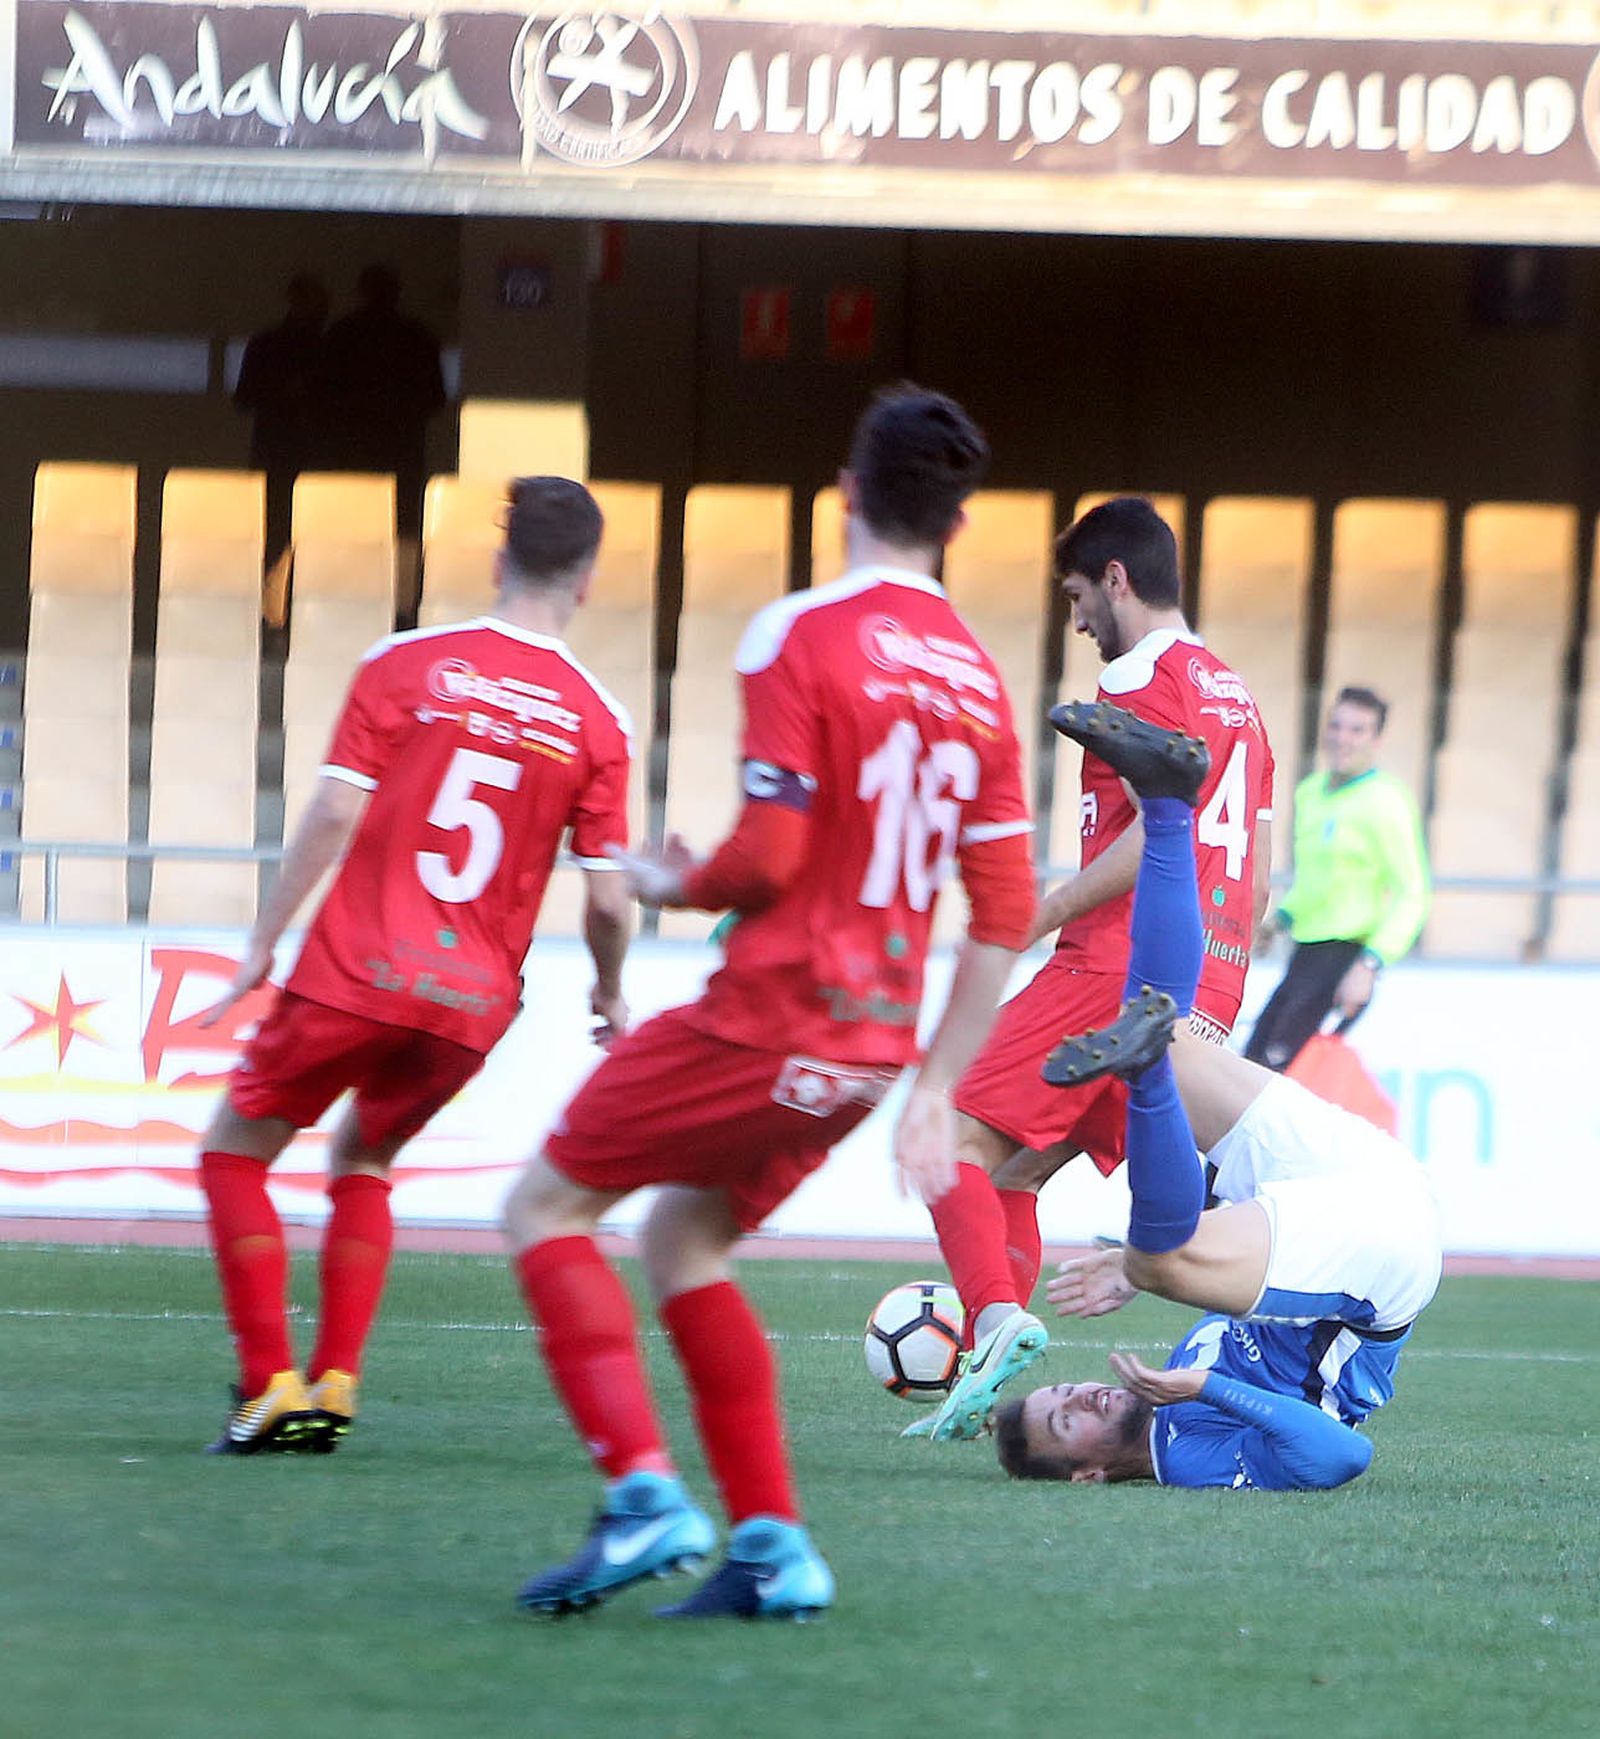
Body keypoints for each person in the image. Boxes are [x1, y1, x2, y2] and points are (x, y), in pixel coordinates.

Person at [504, 384, 1037, 1621]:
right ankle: (773, 1546)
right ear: (957, 524)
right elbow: (1005, 910)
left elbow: (768, 858)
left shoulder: (798, 632)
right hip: (866, 1051)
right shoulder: (979, 680)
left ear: (844, 493)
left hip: (768, 1016)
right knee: (683, 1240)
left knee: (543, 1207)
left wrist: (668, 879)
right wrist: (934, 1086)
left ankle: (642, 1494)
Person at [194, 477, 633, 1455]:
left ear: (498, 560)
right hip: (470, 1003)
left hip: (356, 969)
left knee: (234, 1152)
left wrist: (264, 939)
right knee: (365, 1158)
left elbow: (335, 809)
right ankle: (336, 1381)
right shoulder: (599, 719)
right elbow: (608, 900)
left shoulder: (407, 664)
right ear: (588, 579)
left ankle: (268, 1382)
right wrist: (609, 991)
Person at [991, 700, 1440, 1491]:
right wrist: (1204, 1380)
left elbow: (1248, 1258)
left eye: (1063, 1389)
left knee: (1173, 1040)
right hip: (1384, 1264)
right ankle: (1143, 1076)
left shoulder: (1170, 1380)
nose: (1083, 1394)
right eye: (1068, 1420)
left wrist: (1137, 1271)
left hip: (1349, 1181)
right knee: (1161, 1253)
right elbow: (1342, 1456)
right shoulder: (1187, 1451)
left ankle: (1169, 805)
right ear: (1087, 1473)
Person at [914, 496, 1275, 1444]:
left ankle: (994, 1319)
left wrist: (1035, 916)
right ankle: (983, 1370)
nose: (1076, 621)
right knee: (1015, 1172)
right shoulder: (1236, 695)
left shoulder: (1138, 675)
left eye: (1078, 596)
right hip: (1207, 987)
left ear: (1117, 579)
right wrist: (1213, 992)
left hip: (1113, 966)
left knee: (944, 1129)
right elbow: (1259, 876)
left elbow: (1160, 833)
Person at [1246, 685, 1430, 1072]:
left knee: (1275, 1073)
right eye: (1336, 726)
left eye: (1357, 730)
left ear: (1376, 740)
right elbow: (1315, 882)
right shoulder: (1311, 793)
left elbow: (1412, 892)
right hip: (1305, 954)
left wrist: (1370, 965)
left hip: (1346, 956)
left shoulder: (1386, 800)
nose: (1342, 738)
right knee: (1253, 1065)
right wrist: (1280, 921)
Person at [320, 263, 446, 552]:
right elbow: (435, 397)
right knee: (402, 521)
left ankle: (352, 568)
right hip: (402, 442)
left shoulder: (343, 334)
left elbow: (323, 395)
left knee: (353, 520)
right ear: (397, 293)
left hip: (352, 442)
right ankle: (400, 574)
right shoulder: (417, 336)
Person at [234, 272, 330, 574]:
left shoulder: (267, 343)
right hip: (310, 451)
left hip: (276, 448)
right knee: (312, 532)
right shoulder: (330, 348)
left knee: (275, 528)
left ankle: (273, 592)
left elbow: (244, 398)